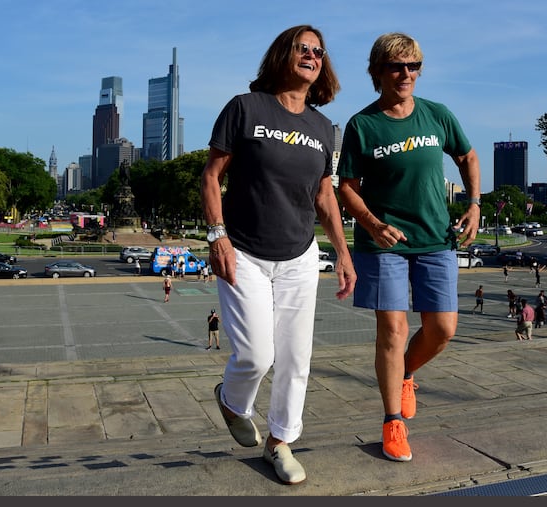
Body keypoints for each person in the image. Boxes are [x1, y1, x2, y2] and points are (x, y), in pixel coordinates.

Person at [200, 25, 356, 486]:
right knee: (255, 354)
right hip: (244, 251)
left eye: (318, 52)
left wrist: (342, 254)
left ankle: (280, 442)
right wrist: (217, 235)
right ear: (282, 55)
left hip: (300, 256)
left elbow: (324, 196)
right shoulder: (246, 108)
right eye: (302, 49)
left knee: (296, 357)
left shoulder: (323, 127)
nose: (311, 56)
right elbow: (211, 176)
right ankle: (231, 400)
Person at [337, 32, 481, 463]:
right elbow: (346, 186)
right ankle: (392, 422)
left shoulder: (437, 115)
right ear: (378, 72)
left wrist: (474, 204)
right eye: (397, 66)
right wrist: (373, 223)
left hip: (436, 238)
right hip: (384, 244)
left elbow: (468, 157)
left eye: (413, 66)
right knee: (393, 331)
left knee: (443, 329)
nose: (406, 74)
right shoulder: (363, 125)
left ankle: (407, 374)